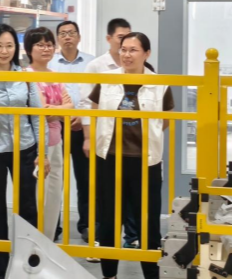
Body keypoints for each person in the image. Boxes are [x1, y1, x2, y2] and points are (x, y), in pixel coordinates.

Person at [86, 32, 174, 280]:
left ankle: (151, 274)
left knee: (148, 222)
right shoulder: (107, 80)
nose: (126, 54)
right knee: (109, 219)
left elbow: (166, 119)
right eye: (123, 49)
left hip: (146, 161)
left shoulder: (160, 83)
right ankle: (109, 274)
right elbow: (95, 110)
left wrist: (147, 136)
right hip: (110, 158)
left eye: (133, 50)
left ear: (146, 54)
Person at [0, 24, 50, 279]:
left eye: (9, 45)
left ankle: (30, 267)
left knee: (28, 208)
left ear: (16, 48)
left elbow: (37, 117)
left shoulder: (25, 76)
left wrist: (43, 152)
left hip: (24, 148)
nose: (4, 51)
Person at [81, 18, 139, 248]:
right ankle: (101, 240)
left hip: (134, 143)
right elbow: (87, 104)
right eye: (120, 38)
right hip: (105, 141)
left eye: (129, 39)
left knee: (132, 191)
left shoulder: (142, 68)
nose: (125, 45)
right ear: (109, 39)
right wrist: (88, 137)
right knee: (104, 192)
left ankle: (132, 237)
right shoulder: (97, 66)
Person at [25, 27, 74, 241]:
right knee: (37, 195)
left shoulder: (54, 75)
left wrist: (55, 110)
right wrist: (58, 110)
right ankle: (33, 241)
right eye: (40, 45)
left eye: (49, 45)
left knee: (54, 194)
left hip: (56, 141)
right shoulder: (26, 75)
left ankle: (48, 239)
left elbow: (70, 106)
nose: (46, 49)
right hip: (36, 144)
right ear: (29, 49)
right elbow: (40, 109)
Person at [48, 21, 95, 243]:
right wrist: (63, 115)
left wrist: (82, 118)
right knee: (54, 177)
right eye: (63, 33)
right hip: (55, 126)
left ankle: (86, 225)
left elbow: (94, 95)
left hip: (82, 127)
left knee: (85, 178)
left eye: (71, 33)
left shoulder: (91, 63)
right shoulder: (50, 63)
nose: (67, 37)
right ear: (58, 38)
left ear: (79, 37)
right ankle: (53, 225)